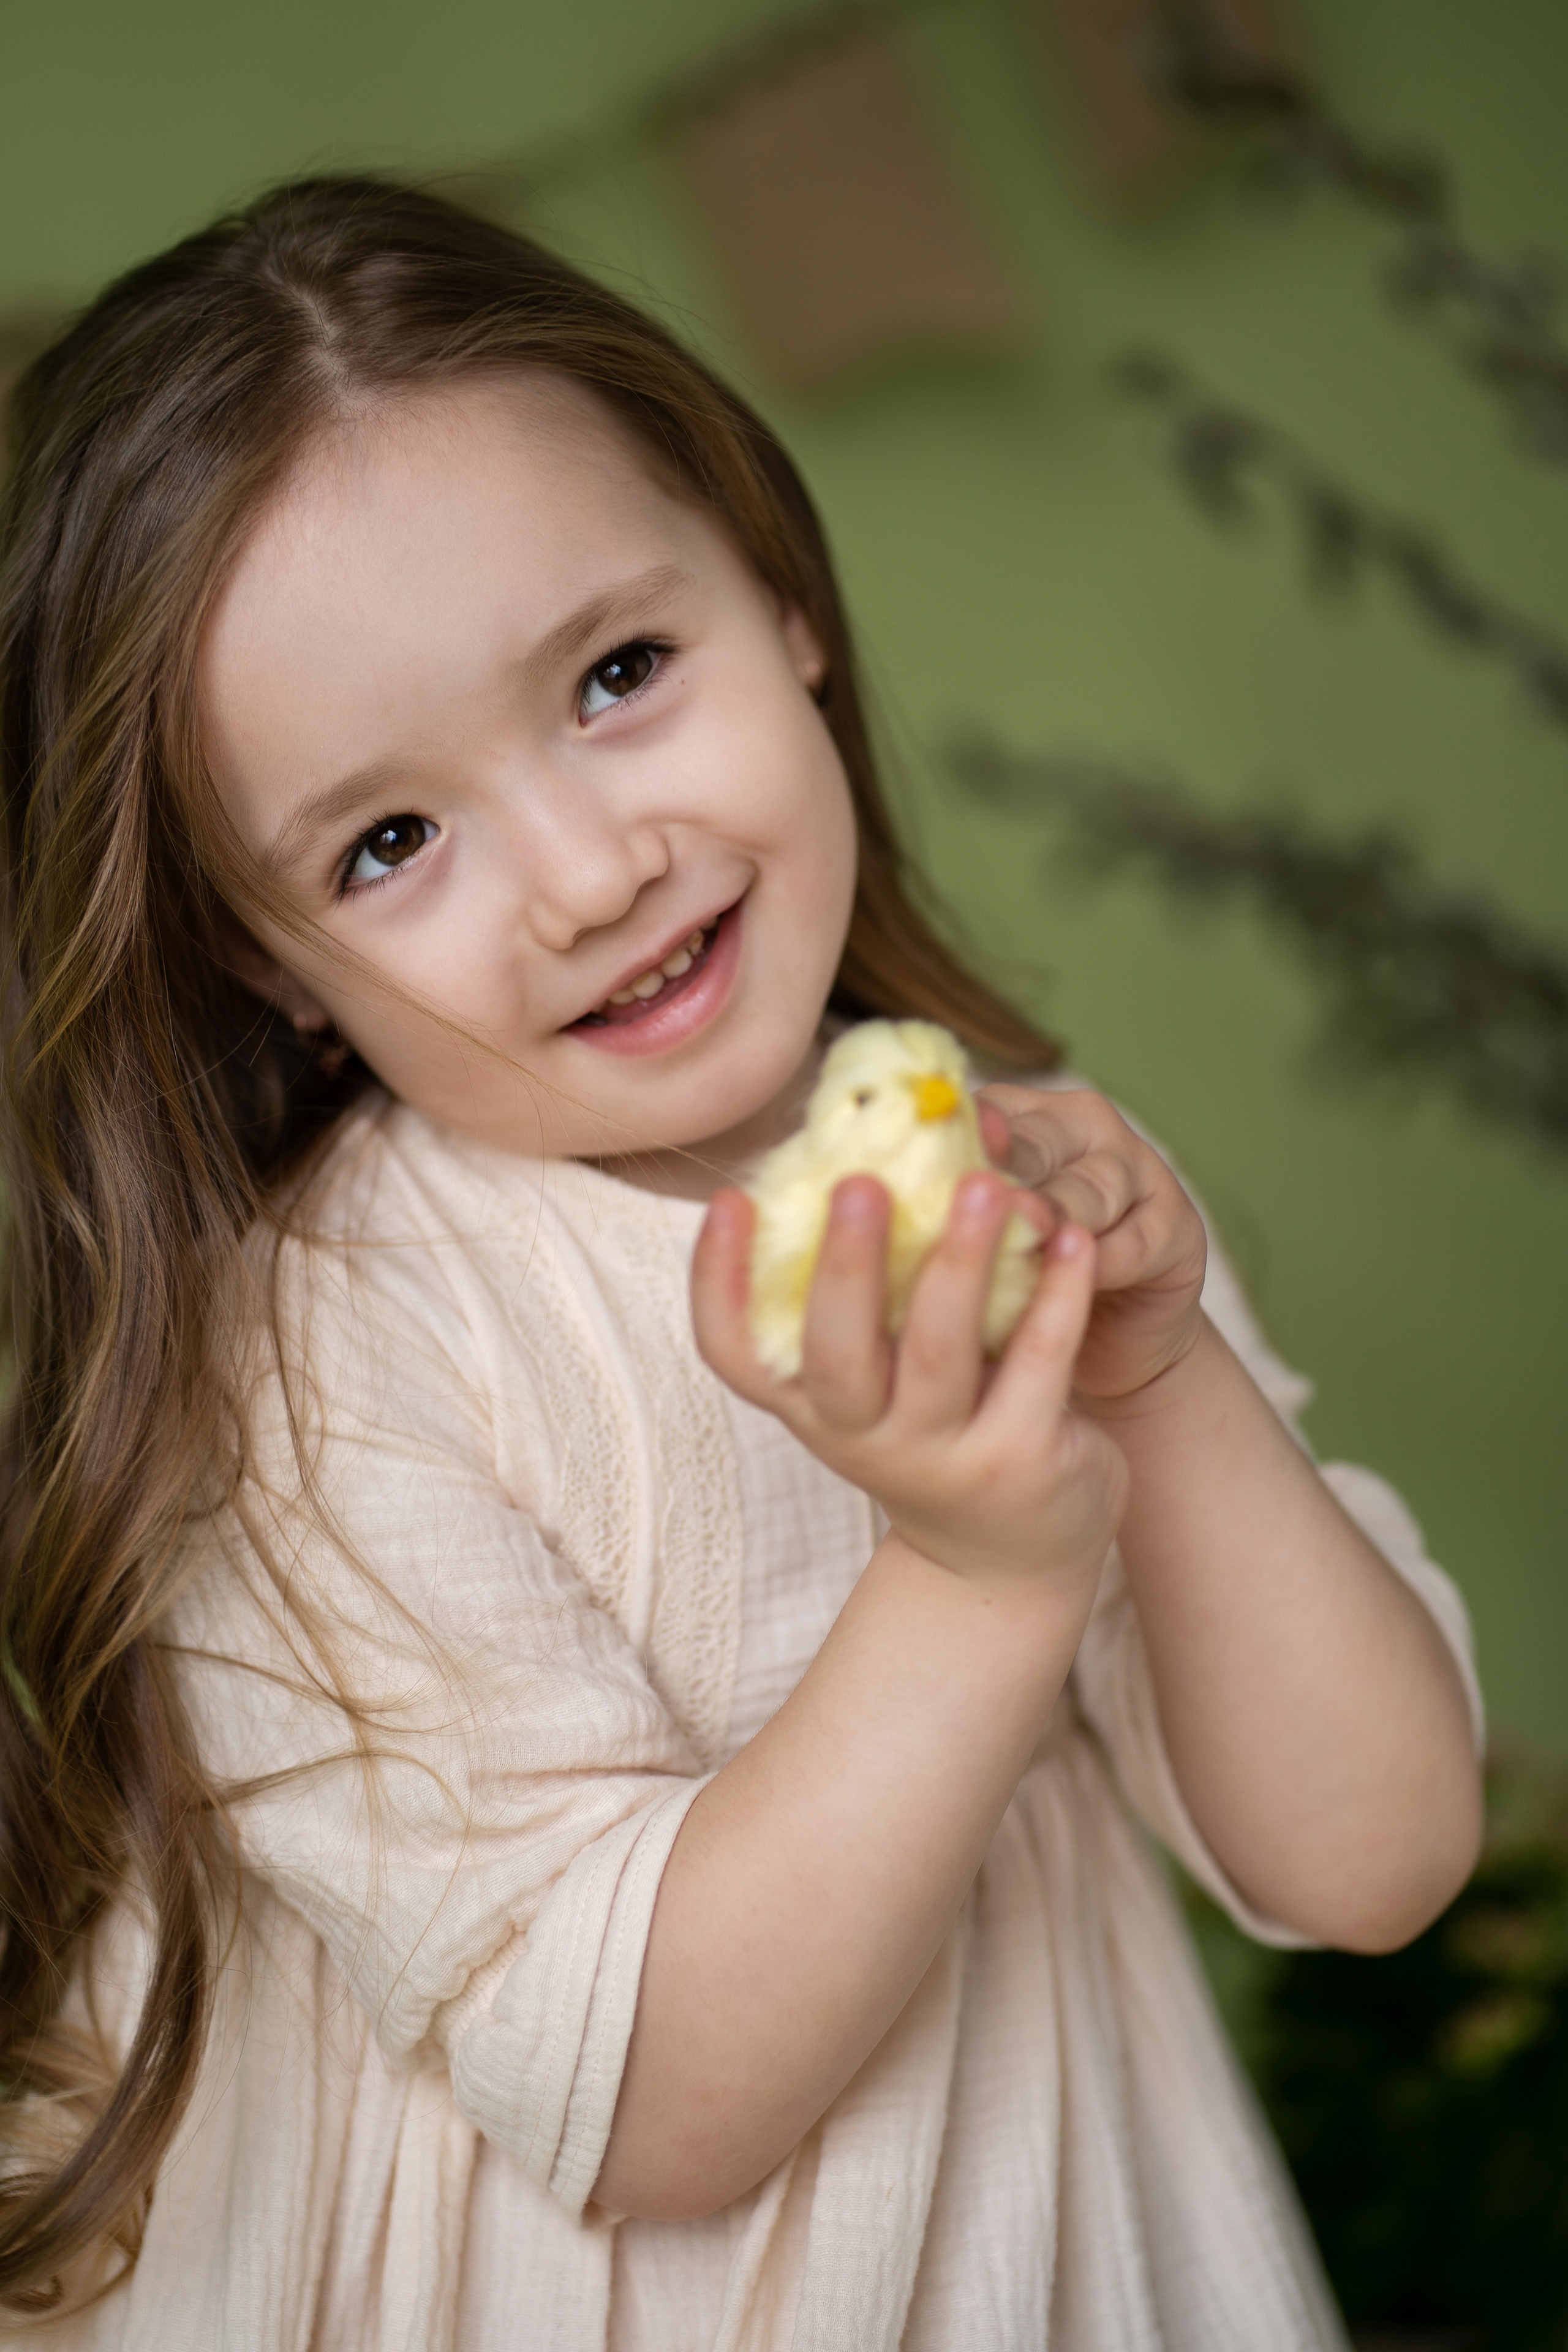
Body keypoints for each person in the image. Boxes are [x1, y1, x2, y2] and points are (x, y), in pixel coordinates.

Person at [0, 177, 1483, 2351]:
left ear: (781, 594)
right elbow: (654, 2106)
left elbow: (1368, 1862)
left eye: (618, 674)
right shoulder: (325, 1364)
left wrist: (1163, 1390)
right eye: (389, 842)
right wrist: (978, 1572)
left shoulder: (1026, 1180)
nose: (595, 871)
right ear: (267, 957)